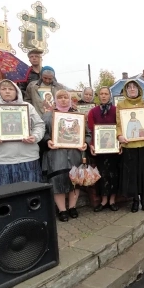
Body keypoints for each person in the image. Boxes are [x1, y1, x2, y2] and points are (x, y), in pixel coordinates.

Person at [42, 90, 90, 222]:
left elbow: (87, 133)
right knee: (58, 181)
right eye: (60, 97)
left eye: (65, 97)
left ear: (70, 99)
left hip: (75, 154)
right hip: (56, 155)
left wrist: (85, 143)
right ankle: (62, 210)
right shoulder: (48, 116)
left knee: (75, 180)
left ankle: (72, 207)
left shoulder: (78, 116)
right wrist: (48, 141)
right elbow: (42, 133)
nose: (63, 100)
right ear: (55, 100)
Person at [0, 79, 44, 187]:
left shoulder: (27, 107)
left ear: (17, 91)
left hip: (28, 158)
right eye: (3, 89)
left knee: (29, 195)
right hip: (0, 160)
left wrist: (35, 136)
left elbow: (39, 125)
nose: (7, 91)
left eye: (11, 89)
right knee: (3, 196)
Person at [116, 80, 144, 213]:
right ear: (126, 90)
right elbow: (119, 125)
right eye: (129, 87)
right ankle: (135, 201)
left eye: (134, 87)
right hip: (130, 146)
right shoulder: (121, 105)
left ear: (139, 89)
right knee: (132, 174)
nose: (132, 89)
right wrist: (120, 136)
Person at [88, 86, 121, 212]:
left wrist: (120, 144)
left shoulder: (116, 111)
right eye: (101, 94)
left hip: (114, 149)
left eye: (106, 94)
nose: (103, 96)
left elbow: (120, 129)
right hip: (99, 149)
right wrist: (91, 144)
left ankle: (112, 200)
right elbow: (90, 130)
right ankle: (103, 200)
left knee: (114, 174)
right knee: (102, 174)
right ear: (98, 96)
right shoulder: (93, 112)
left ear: (109, 95)